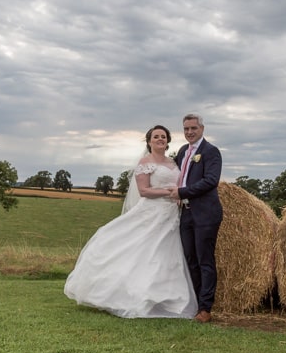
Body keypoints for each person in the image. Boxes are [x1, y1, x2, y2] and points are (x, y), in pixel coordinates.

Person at [64, 125, 197, 318]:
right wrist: (170, 193)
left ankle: (167, 299)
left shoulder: (174, 162)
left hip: (172, 215)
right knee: (144, 253)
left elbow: (180, 184)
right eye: (156, 136)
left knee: (166, 255)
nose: (160, 139)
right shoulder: (145, 162)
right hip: (152, 212)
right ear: (149, 141)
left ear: (168, 141)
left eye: (163, 136)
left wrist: (179, 195)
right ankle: (133, 295)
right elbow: (144, 191)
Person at [169, 114, 223, 323]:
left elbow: (211, 180)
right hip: (186, 214)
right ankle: (194, 303)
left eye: (193, 128)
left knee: (204, 260)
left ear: (202, 128)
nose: (189, 132)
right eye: (186, 129)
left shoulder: (211, 152)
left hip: (206, 214)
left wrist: (182, 193)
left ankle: (205, 308)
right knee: (190, 260)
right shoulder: (183, 151)